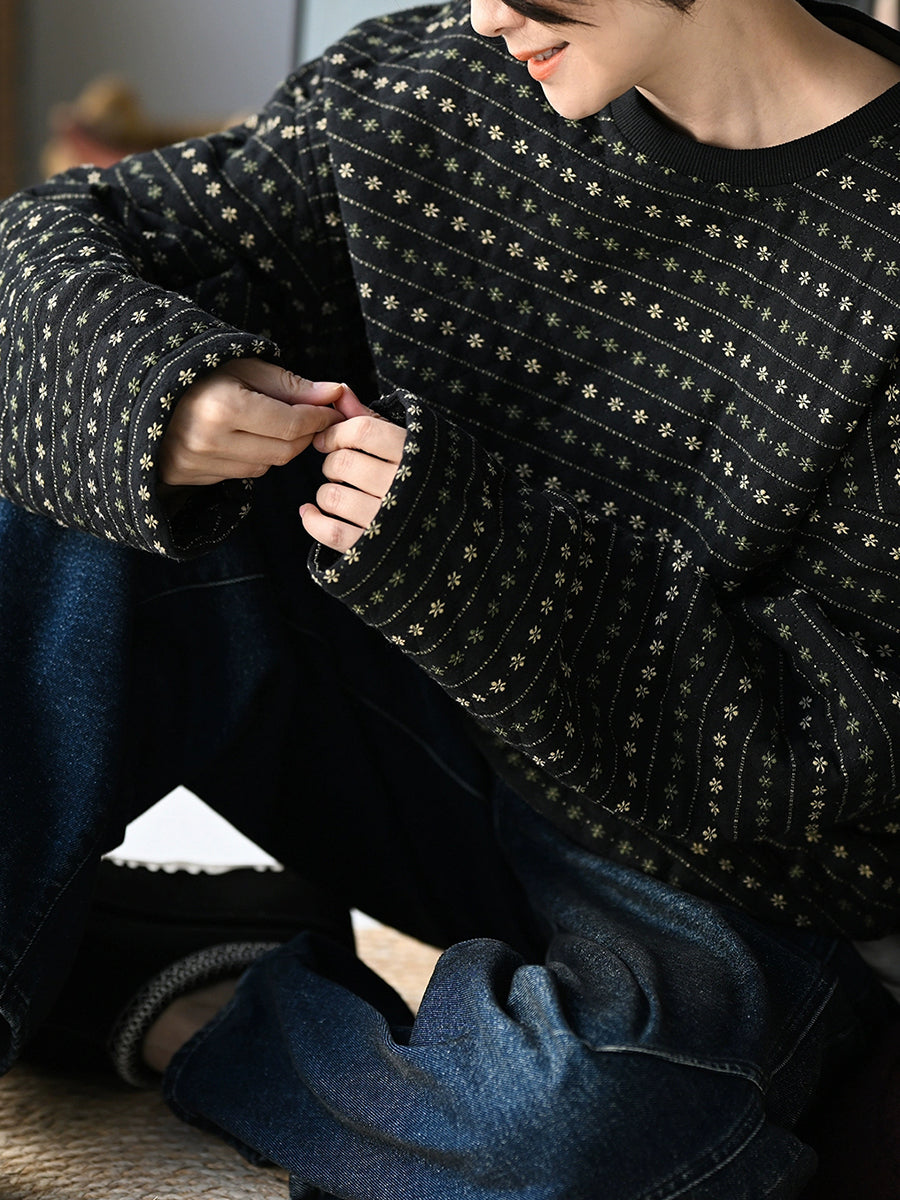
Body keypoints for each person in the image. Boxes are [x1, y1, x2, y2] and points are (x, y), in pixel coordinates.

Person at [2, 0, 900, 1194]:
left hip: (711, 876)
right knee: (87, 441)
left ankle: (176, 998)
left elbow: (848, 777)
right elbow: (47, 245)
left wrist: (468, 555)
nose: (487, 12)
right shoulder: (434, 81)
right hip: (419, 735)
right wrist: (169, 392)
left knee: (580, 1136)